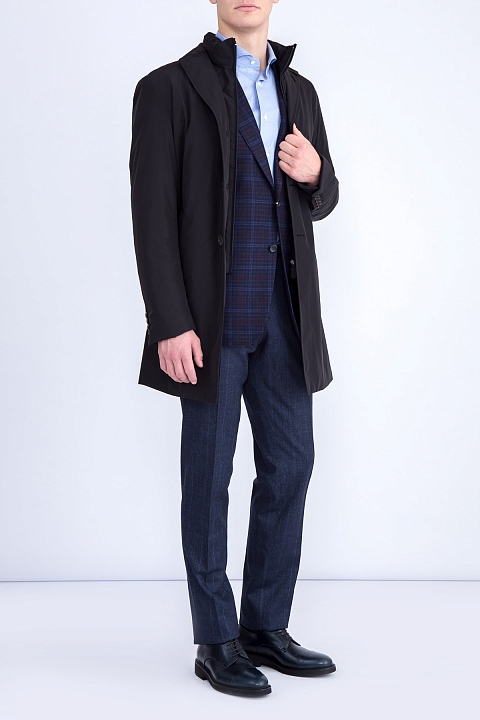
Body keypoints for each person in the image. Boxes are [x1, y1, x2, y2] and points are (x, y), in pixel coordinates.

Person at [129, 0, 339, 697]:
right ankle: (215, 638)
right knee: (208, 477)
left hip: (286, 314)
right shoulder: (167, 87)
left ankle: (264, 627)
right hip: (209, 322)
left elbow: (324, 198)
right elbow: (151, 214)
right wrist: (169, 321)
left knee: (291, 465)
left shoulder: (300, 90)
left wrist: (315, 174)